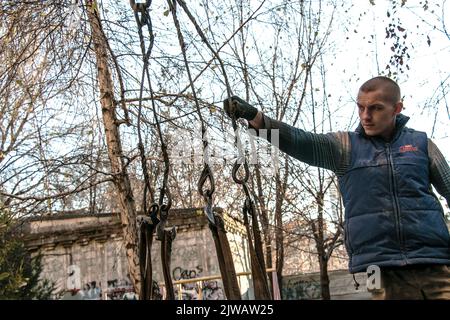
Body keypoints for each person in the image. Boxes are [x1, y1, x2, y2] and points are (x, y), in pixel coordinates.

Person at [223, 76, 450, 300]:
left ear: (397, 108)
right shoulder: (346, 147)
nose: (365, 116)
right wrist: (258, 120)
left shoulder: (421, 144)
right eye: (360, 108)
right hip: (377, 267)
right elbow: (301, 141)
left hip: (435, 260)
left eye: (375, 108)